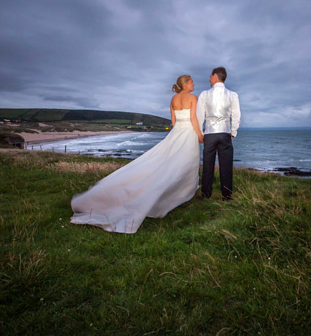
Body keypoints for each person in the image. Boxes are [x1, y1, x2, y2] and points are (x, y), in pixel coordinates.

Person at [71, 75, 204, 234]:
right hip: (188, 133)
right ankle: (179, 195)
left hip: (176, 133)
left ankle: (178, 193)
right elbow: (194, 119)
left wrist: (179, 131)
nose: (194, 83)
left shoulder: (174, 99)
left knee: (170, 163)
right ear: (186, 84)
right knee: (185, 163)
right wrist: (200, 136)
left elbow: (174, 121)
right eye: (191, 82)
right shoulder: (192, 97)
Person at [196, 67, 241, 201]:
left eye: (210, 76)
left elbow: (200, 116)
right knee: (226, 166)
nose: (209, 79)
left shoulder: (204, 94)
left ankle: (206, 195)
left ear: (215, 76)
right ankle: (226, 196)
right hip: (225, 133)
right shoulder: (233, 95)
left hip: (209, 133)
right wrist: (233, 132)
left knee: (208, 165)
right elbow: (236, 116)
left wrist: (200, 133)